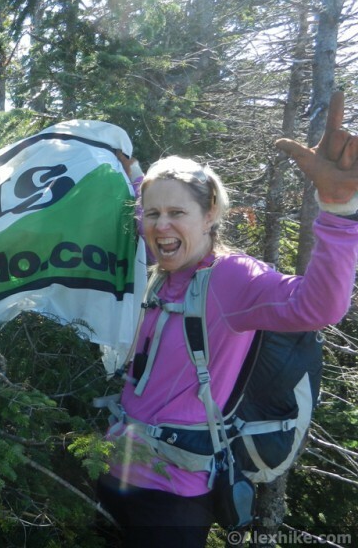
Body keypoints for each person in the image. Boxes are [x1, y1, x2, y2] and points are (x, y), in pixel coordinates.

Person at [98, 92, 358, 548]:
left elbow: (319, 306)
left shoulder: (232, 279)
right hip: (111, 468)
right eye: (153, 214)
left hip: (173, 498)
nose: (161, 226)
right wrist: (137, 175)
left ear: (210, 214)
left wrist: (337, 211)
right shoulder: (160, 272)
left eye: (177, 213)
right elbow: (153, 213)